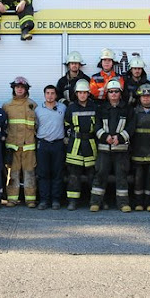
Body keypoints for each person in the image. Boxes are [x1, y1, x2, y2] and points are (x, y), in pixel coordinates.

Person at [90, 80, 135, 213]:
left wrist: (120, 138)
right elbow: (96, 126)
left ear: (120, 93)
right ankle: (95, 203)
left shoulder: (127, 109)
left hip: (121, 150)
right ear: (107, 94)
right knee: (100, 175)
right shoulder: (101, 108)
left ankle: (123, 204)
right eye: (111, 92)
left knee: (122, 176)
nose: (114, 94)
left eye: (116, 91)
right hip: (104, 149)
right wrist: (105, 137)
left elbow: (131, 127)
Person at [3, 76, 38, 207]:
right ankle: (12, 199)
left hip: (29, 146)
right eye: (17, 87)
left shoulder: (32, 105)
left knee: (30, 174)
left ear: (26, 89)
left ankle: (30, 200)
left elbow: (37, 125)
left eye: (22, 87)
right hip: (13, 147)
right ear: (13, 88)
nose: (19, 89)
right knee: (13, 174)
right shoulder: (7, 106)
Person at [64, 79, 98, 211]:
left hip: (90, 143)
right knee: (73, 175)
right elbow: (67, 124)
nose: (82, 95)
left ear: (88, 93)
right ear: (76, 94)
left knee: (92, 175)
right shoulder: (71, 108)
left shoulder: (94, 107)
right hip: (75, 144)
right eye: (80, 93)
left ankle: (94, 201)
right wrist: (69, 136)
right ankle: (73, 201)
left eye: (85, 92)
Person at [130, 83, 150, 212]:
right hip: (137, 149)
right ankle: (138, 203)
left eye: (148, 96)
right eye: (143, 96)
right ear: (139, 98)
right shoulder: (134, 112)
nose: (146, 98)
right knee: (138, 178)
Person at [35, 85, 67, 210]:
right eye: (47, 93)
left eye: (52, 93)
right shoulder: (38, 110)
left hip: (58, 144)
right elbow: (35, 126)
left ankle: (56, 200)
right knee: (43, 174)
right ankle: (44, 200)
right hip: (43, 144)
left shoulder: (63, 108)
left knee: (57, 173)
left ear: (56, 95)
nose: (50, 96)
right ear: (44, 95)